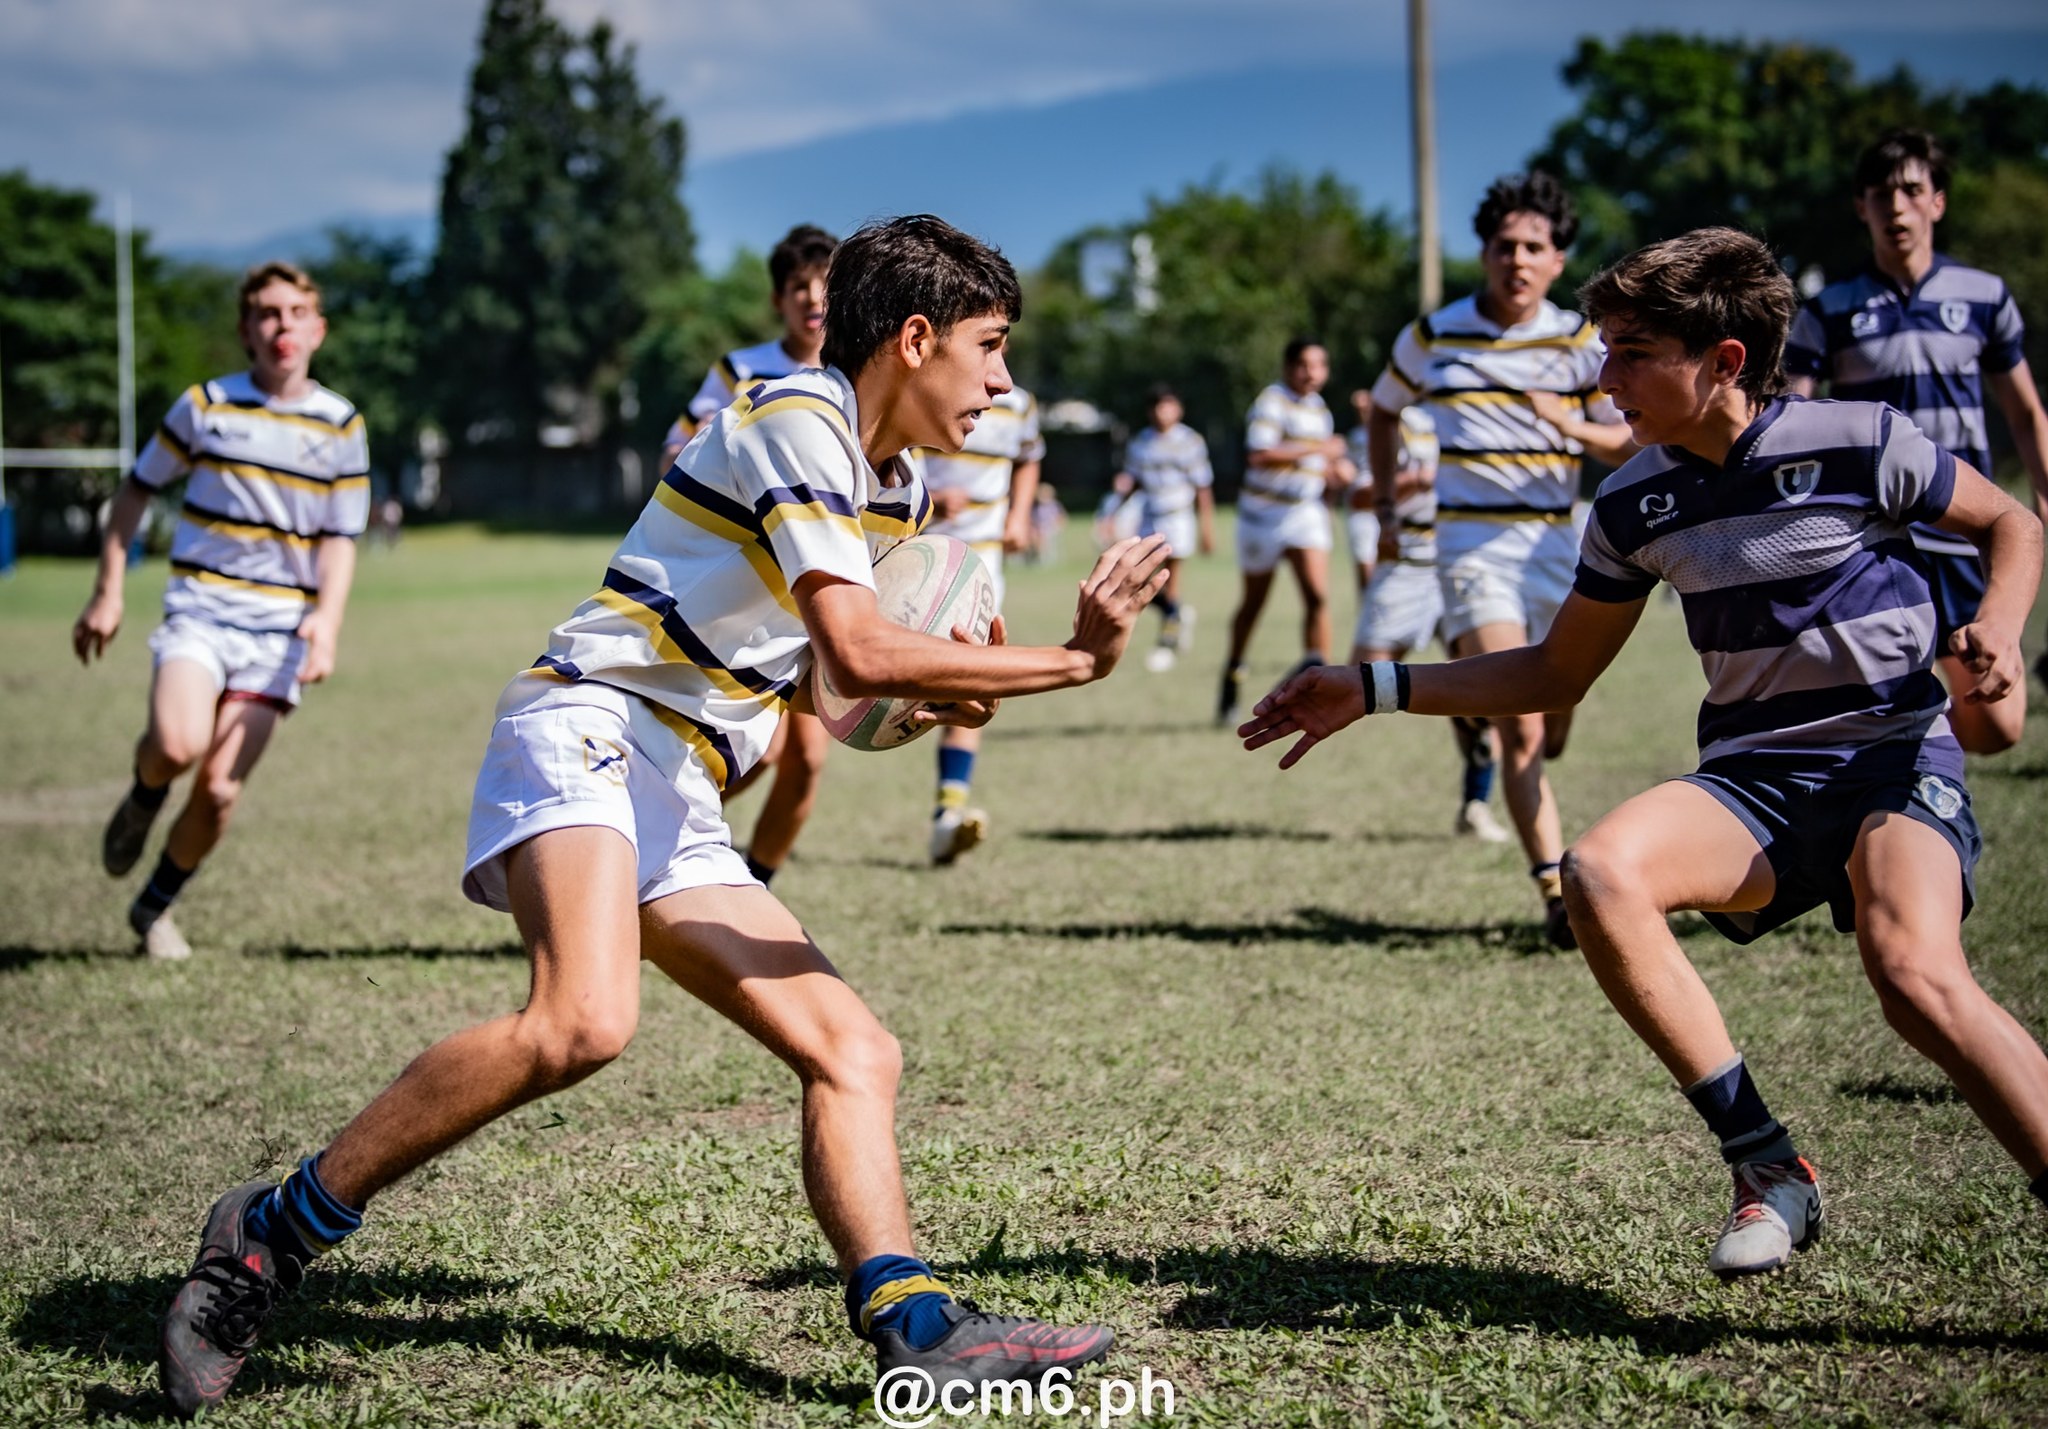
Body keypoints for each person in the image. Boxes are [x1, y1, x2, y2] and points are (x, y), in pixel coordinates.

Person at [156, 215, 1170, 1418]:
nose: (1002, 380)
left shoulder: (894, 493)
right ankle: (264, 1235)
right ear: (913, 338)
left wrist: (949, 686)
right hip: (587, 722)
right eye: (989, 346)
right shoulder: (799, 418)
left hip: (676, 775)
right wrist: (1072, 661)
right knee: (580, 1022)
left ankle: (918, 1326)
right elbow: (853, 643)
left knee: (854, 1050)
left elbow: (832, 686)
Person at [1244, 227, 2048, 1279]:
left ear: (1720, 361)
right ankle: (1767, 1166)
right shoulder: (1633, 502)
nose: (1600, 374)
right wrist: (1373, 687)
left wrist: (1995, 626)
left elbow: (2012, 524)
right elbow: (1550, 674)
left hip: (1891, 757)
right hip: (1754, 780)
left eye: (1628, 352)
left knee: (1909, 975)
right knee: (1598, 873)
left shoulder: (1860, 438)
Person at [72, 261, 369, 961]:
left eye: (296, 312)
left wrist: (326, 623)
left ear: (317, 329)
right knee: (175, 747)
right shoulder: (205, 406)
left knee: (218, 791)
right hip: (201, 611)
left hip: (277, 633)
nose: (282, 326)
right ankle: (144, 796)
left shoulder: (341, 424)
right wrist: (108, 589)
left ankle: (154, 908)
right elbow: (135, 492)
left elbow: (340, 539)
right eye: (267, 313)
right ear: (245, 330)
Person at [1368, 173, 1635, 948]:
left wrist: (1567, 425)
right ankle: (1556, 892)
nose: (1516, 259)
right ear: (1483, 253)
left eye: (1534, 247)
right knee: (1519, 728)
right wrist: (1388, 507)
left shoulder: (1582, 344)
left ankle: (1524, 723)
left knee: (1553, 722)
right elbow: (1383, 410)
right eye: (1503, 246)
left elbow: (1627, 439)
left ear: (1558, 261)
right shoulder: (1433, 335)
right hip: (1471, 547)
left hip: (1557, 544)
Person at [1785, 128, 2048, 755]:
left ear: (1938, 202)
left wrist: (2042, 494)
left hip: (1961, 523)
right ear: (1861, 208)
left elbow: (2025, 411)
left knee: (1996, 728)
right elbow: (1793, 413)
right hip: (1873, 533)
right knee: (1868, 702)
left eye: (1910, 190)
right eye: (1880, 194)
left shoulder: (1983, 297)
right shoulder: (1830, 309)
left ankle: (1916, 735)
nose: (1895, 206)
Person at [676, 225, 840, 889]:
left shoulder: (851, 377)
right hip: (739, 585)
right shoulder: (741, 369)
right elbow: (677, 451)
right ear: (779, 299)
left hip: (815, 585)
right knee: (763, 750)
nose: (812, 298)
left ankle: (754, 885)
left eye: (824, 284)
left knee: (805, 757)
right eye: (798, 286)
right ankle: (640, 836)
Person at [1346, 396, 1510, 844]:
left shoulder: (1482, 418)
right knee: (1357, 680)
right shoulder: (1397, 424)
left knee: (1486, 685)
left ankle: (1476, 803)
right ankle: (1458, 700)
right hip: (1406, 564)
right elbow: (1358, 495)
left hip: (1465, 562)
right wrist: (1415, 482)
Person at [916, 381, 1045, 864]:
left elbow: (1030, 455)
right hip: (916, 559)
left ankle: (949, 812)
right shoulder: (927, 386)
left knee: (971, 681)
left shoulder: (1020, 404)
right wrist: (927, 497)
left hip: (983, 565)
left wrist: (1020, 514)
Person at [1217, 339, 1351, 723]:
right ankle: (1233, 671)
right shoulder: (1271, 402)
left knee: (1317, 597)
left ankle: (1318, 681)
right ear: (1288, 367)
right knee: (1253, 605)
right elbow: (1259, 454)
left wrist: (1335, 473)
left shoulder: (1319, 409)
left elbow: (1316, 462)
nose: (1313, 373)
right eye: (1305, 365)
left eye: (1320, 365)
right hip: (1262, 518)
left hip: (1304, 514)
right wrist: (1319, 450)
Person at [1115, 384, 1214, 671]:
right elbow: (1132, 482)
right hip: (1149, 516)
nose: (1164, 412)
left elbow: (1203, 486)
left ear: (1179, 409)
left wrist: (1207, 527)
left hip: (1178, 517)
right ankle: (1177, 613)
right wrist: (1114, 509)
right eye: (1159, 406)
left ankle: (1167, 643)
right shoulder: (1141, 443)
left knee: (1171, 581)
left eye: (1169, 405)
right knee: (1139, 579)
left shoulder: (1190, 441)